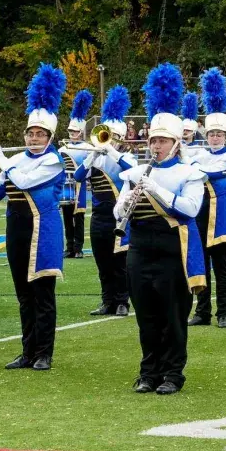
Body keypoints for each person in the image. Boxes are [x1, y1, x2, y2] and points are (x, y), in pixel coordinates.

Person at [118, 63, 207, 395]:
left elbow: (190, 209)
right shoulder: (135, 172)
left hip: (172, 248)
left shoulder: (189, 173)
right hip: (140, 246)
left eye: (163, 141)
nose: (156, 145)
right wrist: (126, 204)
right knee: (146, 315)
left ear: (175, 143)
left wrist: (155, 189)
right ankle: (148, 372)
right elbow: (117, 211)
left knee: (173, 314)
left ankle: (172, 374)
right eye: (153, 140)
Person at [0, 63, 66, 370]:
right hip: (16, 230)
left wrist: (1, 160)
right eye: (31, 133)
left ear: (49, 137)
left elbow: (25, 182)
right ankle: (28, 352)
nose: (34, 138)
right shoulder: (15, 159)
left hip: (44, 231)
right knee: (24, 295)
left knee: (43, 294)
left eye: (40, 134)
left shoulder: (54, 161)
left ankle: (44, 353)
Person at [74, 85, 136, 317]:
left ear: (120, 139)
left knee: (119, 261)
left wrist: (112, 152)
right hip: (99, 216)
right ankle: (107, 301)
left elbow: (132, 172)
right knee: (102, 262)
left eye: (112, 137)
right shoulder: (96, 159)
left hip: (120, 216)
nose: (107, 141)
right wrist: (91, 156)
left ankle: (122, 301)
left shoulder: (126, 157)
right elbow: (78, 177)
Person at [188, 68, 226, 328]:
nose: (215, 137)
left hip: (220, 220)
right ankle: (203, 311)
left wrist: (195, 165)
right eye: (211, 134)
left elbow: (208, 172)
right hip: (199, 216)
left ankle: (224, 312)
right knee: (202, 267)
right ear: (206, 135)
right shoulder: (199, 154)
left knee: (221, 269)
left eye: (219, 134)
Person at [59, 89, 92, 259]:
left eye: (75, 132)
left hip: (79, 185)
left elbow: (90, 168)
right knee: (66, 216)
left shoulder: (88, 148)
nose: (72, 134)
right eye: (70, 132)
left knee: (78, 217)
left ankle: (78, 248)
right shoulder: (62, 148)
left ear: (81, 132)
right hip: (66, 185)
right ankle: (69, 246)